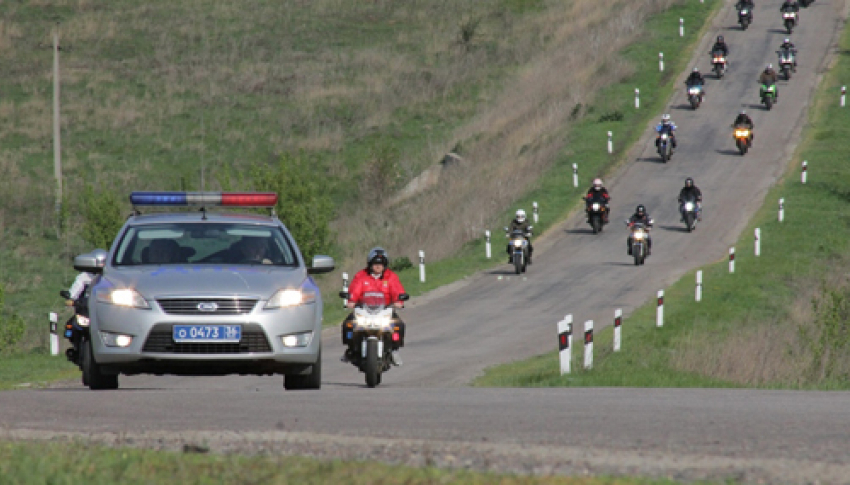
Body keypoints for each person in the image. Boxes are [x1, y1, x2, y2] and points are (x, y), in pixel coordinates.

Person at [341, 248, 407, 365]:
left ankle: (394, 350)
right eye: (375, 263)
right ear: (370, 264)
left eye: (381, 264)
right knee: (348, 325)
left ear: (385, 265)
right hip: (363, 310)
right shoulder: (361, 276)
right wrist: (351, 300)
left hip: (384, 310)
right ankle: (350, 349)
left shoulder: (391, 277)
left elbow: (397, 290)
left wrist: (399, 301)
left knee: (399, 325)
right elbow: (355, 290)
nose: (378, 266)